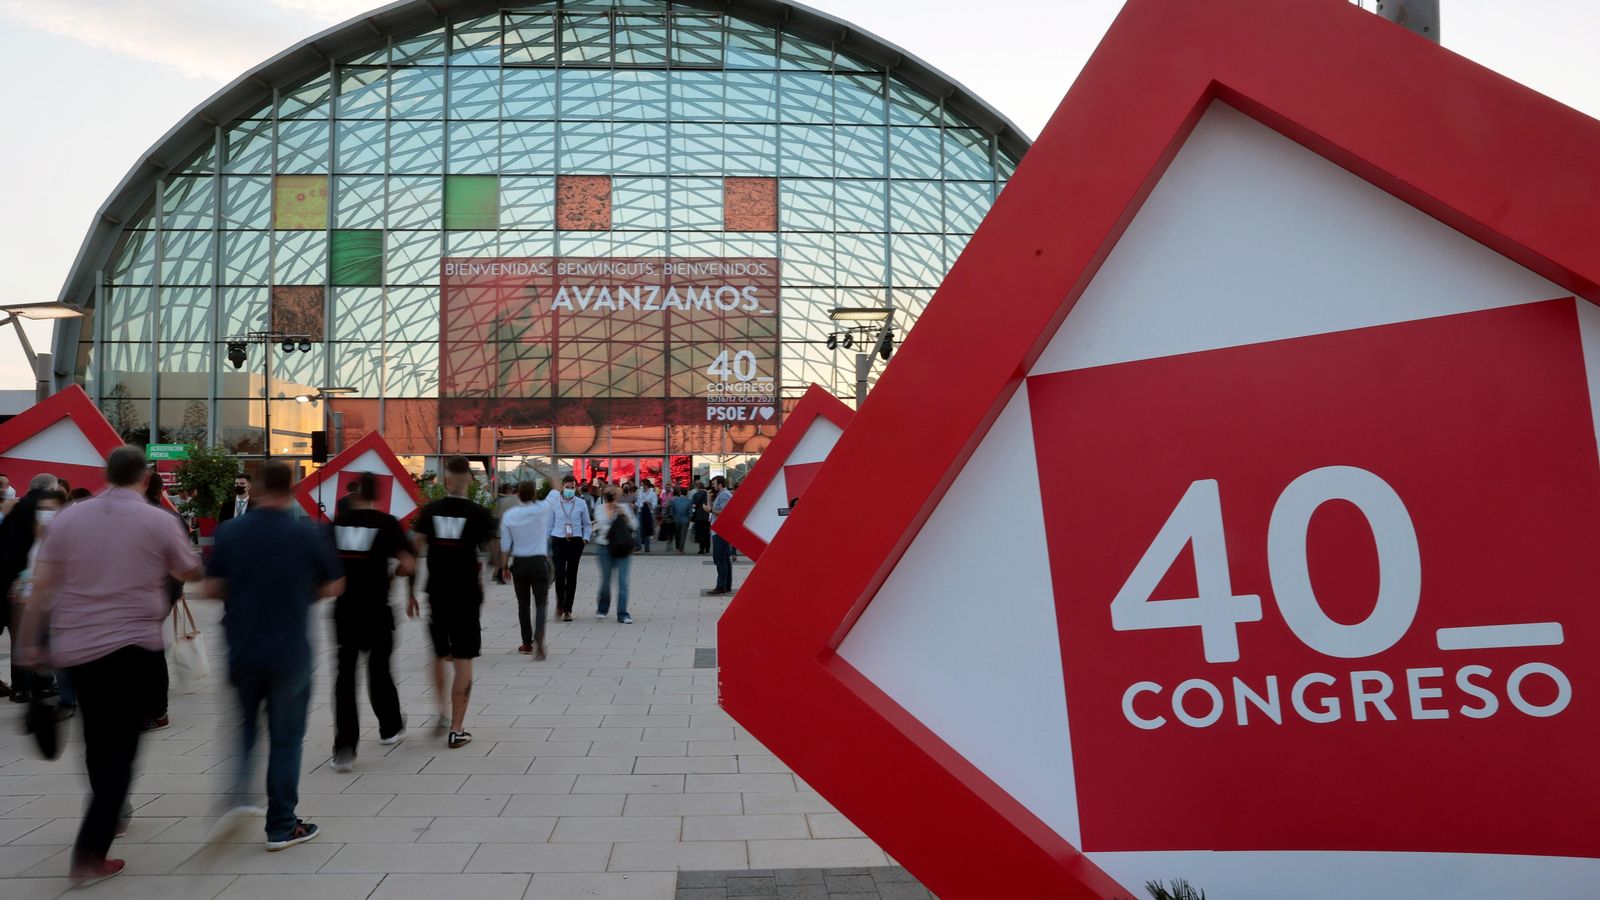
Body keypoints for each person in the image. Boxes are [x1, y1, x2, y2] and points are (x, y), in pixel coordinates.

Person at [16, 447, 203, 886]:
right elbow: (189, 568)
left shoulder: (69, 517)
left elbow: (41, 585)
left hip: (78, 649)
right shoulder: (158, 520)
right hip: (132, 650)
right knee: (122, 750)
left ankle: (108, 812)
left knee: (97, 740)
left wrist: (26, 646)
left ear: (107, 474)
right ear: (144, 478)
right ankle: (91, 851)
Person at [204, 460, 343, 852]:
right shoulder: (307, 535)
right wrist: (301, 594)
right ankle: (281, 824)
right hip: (289, 651)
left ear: (259, 487)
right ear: (294, 487)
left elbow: (211, 587)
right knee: (286, 739)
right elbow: (335, 585)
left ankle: (239, 800)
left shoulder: (232, 532)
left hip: (243, 647)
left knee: (246, 729)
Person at [408, 456, 497, 749]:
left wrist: (410, 592)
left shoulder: (430, 511)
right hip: (467, 596)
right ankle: (457, 729)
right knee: (463, 660)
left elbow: (414, 551)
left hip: (437, 594)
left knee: (437, 654)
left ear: (445, 481)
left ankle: (441, 713)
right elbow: (496, 554)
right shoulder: (479, 514)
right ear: (470, 481)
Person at [328, 472, 415, 773]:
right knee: (380, 670)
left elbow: (322, 566)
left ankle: (345, 748)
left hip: (345, 610)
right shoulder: (387, 524)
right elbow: (408, 563)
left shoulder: (336, 525)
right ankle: (390, 727)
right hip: (377, 609)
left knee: (345, 678)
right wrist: (392, 575)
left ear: (353, 494)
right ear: (377, 494)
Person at [0, 473, 61, 702]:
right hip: (41, 581)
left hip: (13, 581)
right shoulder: (50, 509)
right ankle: (43, 684)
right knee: (43, 635)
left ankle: (20, 688)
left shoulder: (14, 508)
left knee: (20, 636)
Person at [141, 471, 186, 733]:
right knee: (151, 652)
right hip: (159, 593)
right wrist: (176, 590)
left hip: (138, 594)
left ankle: (152, 709)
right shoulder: (171, 518)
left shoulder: (127, 517)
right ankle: (157, 710)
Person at [500, 481, 553, 658]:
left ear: (517, 494)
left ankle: (526, 643)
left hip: (519, 563)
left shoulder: (510, 515)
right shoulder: (542, 509)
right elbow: (555, 491)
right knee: (540, 604)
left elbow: (505, 544)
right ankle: (540, 639)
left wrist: (504, 566)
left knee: (523, 604)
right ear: (535, 494)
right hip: (539, 562)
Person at [549, 475, 590, 624]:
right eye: (567, 487)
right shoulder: (554, 503)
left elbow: (587, 523)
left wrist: (585, 538)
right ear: (562, 487)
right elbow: (549, 524)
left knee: (571, 575)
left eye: (572, 487)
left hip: (576, 541)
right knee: (559, 574)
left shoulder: (580, 503)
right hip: (558, 540)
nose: (570, 490)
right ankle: (560, 602)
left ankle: (567, 609)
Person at [592, 487, 636, 624]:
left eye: (615, 493)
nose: (612, 496)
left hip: (622, 548)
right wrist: (611, 515)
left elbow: (634, 525)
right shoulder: (599, 508)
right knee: (606, 581)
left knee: (623, 582)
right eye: (609, 494)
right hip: (605, 548)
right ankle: (602, 608)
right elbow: (603, 528)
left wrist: (623, 515)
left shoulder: (624, 507)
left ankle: (623, 613)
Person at [704, 476, 735, 596]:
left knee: (720, 559)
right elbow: (713, 508)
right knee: (724, 559)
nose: (713, 486)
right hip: (719, 530)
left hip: (720, 531)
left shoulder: (724, 495)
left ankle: (721, 586)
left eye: (714, 484)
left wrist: (710, 511)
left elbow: (725, 513)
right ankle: (726, 585)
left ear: (720, 484)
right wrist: (709, 498)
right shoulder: (721, 494)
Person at [489, 482, 518, 585]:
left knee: (503, 553)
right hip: (513, 531)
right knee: (514, 552)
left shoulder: (500, 501)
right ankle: (510, 569)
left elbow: (494, 515)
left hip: (501, 530)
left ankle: (500, 574)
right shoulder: (516, 500)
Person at [690, 480, 711, 554]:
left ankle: (701, 549)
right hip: (706, 516)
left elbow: (693, 506)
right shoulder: (708, 494)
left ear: (697, 487)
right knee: (706, 533)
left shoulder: (695, 495)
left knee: (700, 533)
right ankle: (707, 548)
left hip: (698, 517)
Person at [669, 488, 692, 553]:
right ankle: (681, 549)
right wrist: (689, 519)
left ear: (680, 493)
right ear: (687, 493)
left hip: (676, 519)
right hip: (685, 520)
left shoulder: (674, 501)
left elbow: (671, 512)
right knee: (683, 535)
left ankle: (678, 547)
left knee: (678, 534)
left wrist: (674, 517)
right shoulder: (689, 501)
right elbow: (690, 512)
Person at [636, 480, 656, 554]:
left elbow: (655, 504)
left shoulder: (652, 493)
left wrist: (649, 504)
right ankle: (639, 547)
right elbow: (638, 502)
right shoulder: (640, 492)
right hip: (640, 511)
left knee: (647, 529)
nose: (642, 487)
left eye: (643, 485)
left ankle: (647, 548)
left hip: (648, 513)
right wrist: (639, 504)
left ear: (646, 485)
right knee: (638, 530)